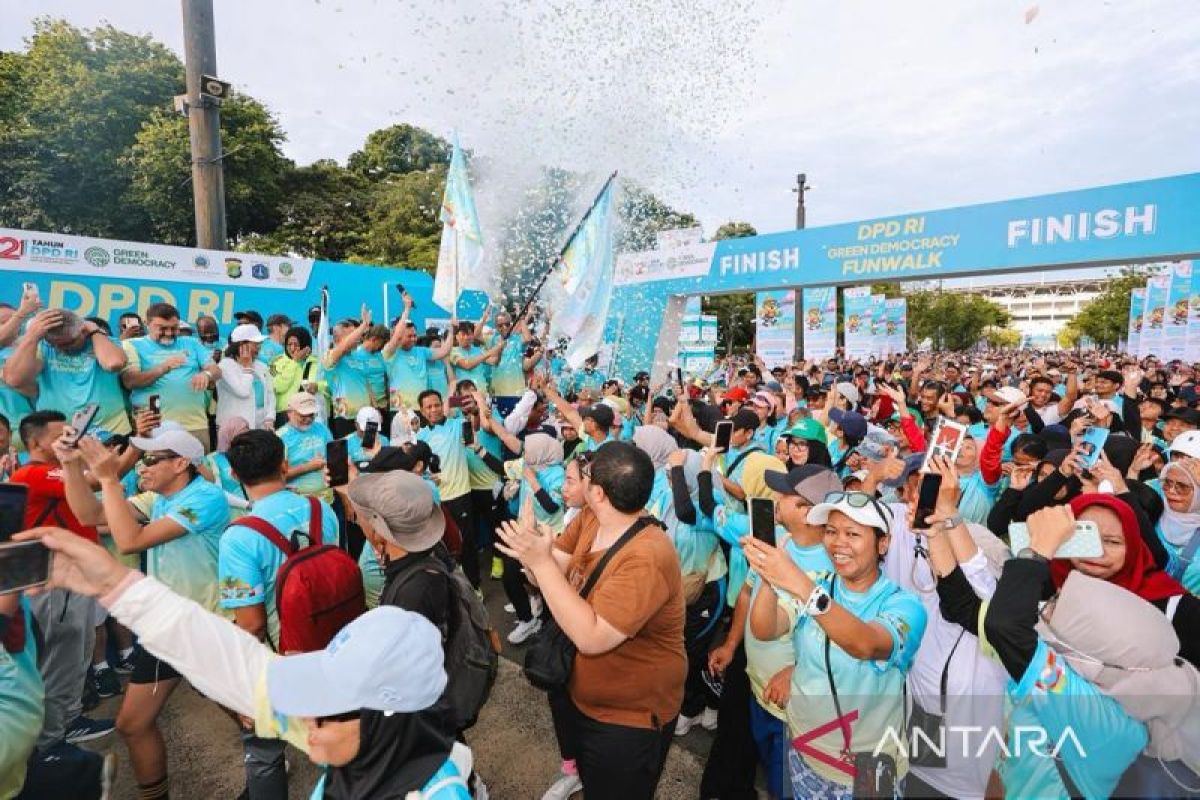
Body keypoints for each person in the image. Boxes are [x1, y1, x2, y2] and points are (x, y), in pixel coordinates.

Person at [18, 527, 473, 798]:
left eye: (325, 707)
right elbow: (230, 661)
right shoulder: (370, 741)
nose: (304, 723)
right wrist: (113, 585)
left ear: (385, 719)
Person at [496, 441, 685, 798]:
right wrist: (534, 551)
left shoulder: (647, 556)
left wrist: (538, 561)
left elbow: (593, 636)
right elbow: (558, 575)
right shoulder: (591, 518)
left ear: (597, 492)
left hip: (627, 719)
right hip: (583, 697)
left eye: (584, 475)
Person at [58, 427, 229, 800]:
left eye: (152, 459)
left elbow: (129, 541)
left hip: (202, 625)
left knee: (244, 711)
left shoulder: (206, 497)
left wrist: (107, 477)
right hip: (166, 625)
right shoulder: (158, 498)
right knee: (133, 724)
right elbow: (89, 514)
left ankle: (269, 757)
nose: (142, 467)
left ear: (182, 463)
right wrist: (71, 467)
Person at [743, 491, 928, 798]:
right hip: (803, 746)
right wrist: (768, 577)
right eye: (831, 531)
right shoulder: (818, 581)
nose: (838, 542)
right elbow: (765, 628)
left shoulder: (905, 605)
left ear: (883, 544)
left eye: (852, 533)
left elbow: (865, 644)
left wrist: (799, 583)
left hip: (867, 765)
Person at [219, 429, 339, 800]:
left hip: (280, 657)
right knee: (336, 738)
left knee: (265, 752)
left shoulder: (239, 537)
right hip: (333, 642)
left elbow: (252, 623)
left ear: (235, 475)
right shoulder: (321, 509)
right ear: (285, 466)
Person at [8, 411, 115, 760]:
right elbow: (95, 483)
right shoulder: (34, 473)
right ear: (35, 442)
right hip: (57, 577)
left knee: (77, 650)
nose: (68, 438)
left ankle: (67, 724)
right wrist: (114, 460)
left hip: (73, 573)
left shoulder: (51, 470)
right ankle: (51, 743)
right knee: (61, 656)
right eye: (60, 435)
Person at [4, 307, 130, 436]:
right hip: (57, 433)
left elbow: (114, 363)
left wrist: (95, 331)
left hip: (109, 430)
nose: (61, 349)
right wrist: (32, 336)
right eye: (55, 344)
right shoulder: (43, 347)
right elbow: (14, 379)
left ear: (83, 331)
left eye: (69, 343)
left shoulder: (103, 341)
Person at [120, 302, 222, 450]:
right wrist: (164, 367)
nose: (169, 333)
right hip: (153, 427)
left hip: (194, 425)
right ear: (147, 323)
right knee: (154, 471)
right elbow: (130, 381)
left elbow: (216, 370)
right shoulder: (132, 345)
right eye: (162, 328)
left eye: (174, 328)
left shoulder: (191, 343)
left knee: (198, 471)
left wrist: (206, 374)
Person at [417, 388, 481, 587]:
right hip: (436, 499)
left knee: (467, 544)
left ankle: (475, 586)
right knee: (443, 546)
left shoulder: (457, 425)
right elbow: (419, 467)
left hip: (460, 494)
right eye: (428, 407)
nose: (434, 410)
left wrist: (475, 412)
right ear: (421, 410)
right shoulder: (420, 436)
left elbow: (475, 425)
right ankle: (451, 588)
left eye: (437, 405)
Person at [382, 290, 451, 418]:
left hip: (423, 409)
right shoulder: (389, 352)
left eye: (415, 335)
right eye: (409, 336)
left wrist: (452, 330)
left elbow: (444, 351)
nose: (414, 338)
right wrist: (407, 309)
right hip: (400, 410)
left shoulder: (421, 351)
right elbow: (396, 336)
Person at [217, 323, 276, 431]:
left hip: (260, 427)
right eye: (255, 344)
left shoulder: (261, 366)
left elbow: (270, 393)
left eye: (260, 343)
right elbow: (243, 391)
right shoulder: (225, 366)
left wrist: (270, 417)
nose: (259, 347)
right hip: (234, 429)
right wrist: (247, 368)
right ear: (241, 345)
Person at [277, 392, 334, 499]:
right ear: (289, 413)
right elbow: (277, 477)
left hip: (326, 499)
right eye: (303, 415)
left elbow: (334, 459)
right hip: (298, 502)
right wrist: (308, 467)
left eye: (312, 414)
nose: (308, 419)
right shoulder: (280, 437)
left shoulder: (321, 428)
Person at [271, 326, 323, 427]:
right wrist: (294, 362)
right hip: (285, 413)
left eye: (296, 344)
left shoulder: (316, 363)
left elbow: (328, 384)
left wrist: (318, 386)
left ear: (305, 344)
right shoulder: (276, 362)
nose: (292, 348)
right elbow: (277, 387)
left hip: (310, 414)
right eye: (289, 344)